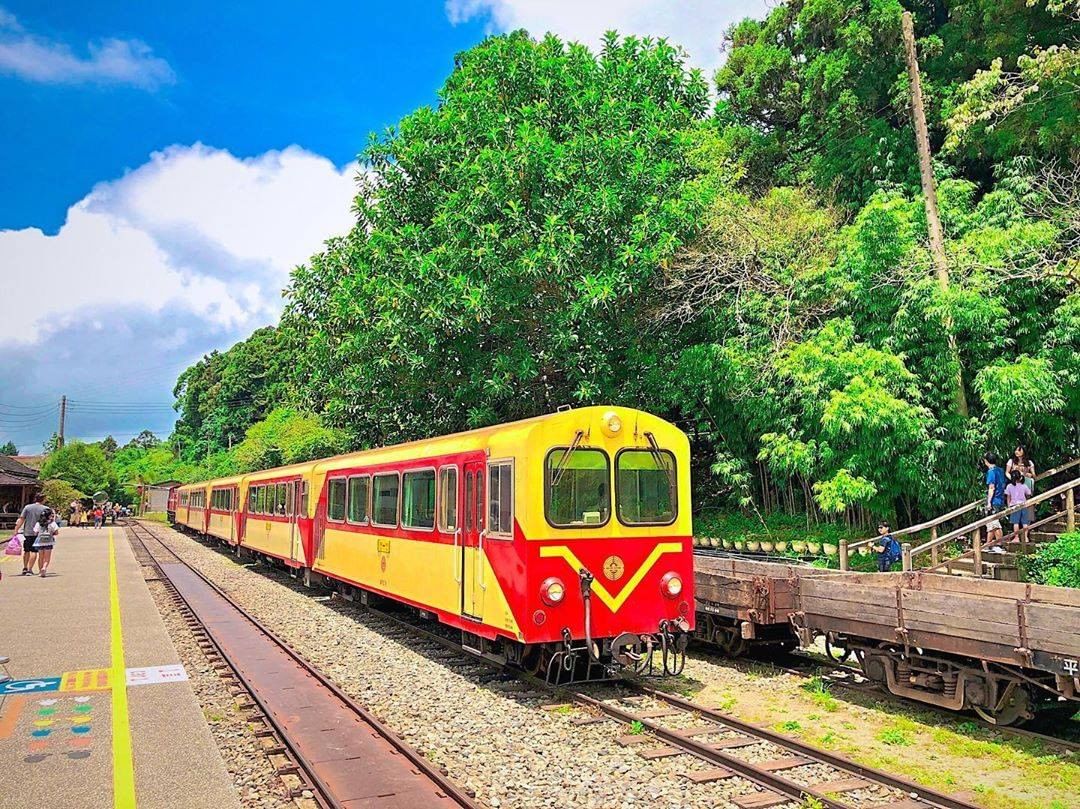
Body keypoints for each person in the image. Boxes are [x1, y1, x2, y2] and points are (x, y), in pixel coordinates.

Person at [13, 493, 47, 576]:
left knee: (27, 550)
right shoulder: (46, 509)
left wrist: (16, 529)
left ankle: (25, 567)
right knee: (34, 551)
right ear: (43, 499)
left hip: (27, 532)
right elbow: (48, 522)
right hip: (40, 533)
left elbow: (21, 519)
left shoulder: (27, 507)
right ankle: (30, 569)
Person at [1005, 470, 1033, 546]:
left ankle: (1016, 537)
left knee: (1015, 523)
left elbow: (1008, 497)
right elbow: (1029, 494)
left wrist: (1008, 506)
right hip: (1023, 505)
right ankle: (1026, 537)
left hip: (1014, 506)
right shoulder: (1024, 486)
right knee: (1025, 522)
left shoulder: (1009, 486)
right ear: (1020, 478)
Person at [32, 508, 58, 577]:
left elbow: (35, 532)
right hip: (48, 541)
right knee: (47, 558)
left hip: (40, 541)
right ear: (49, 515)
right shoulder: (52, 523)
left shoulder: (38, 523)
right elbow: (56, 532)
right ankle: (44, 567)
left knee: (40, 557)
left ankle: (40, 571)